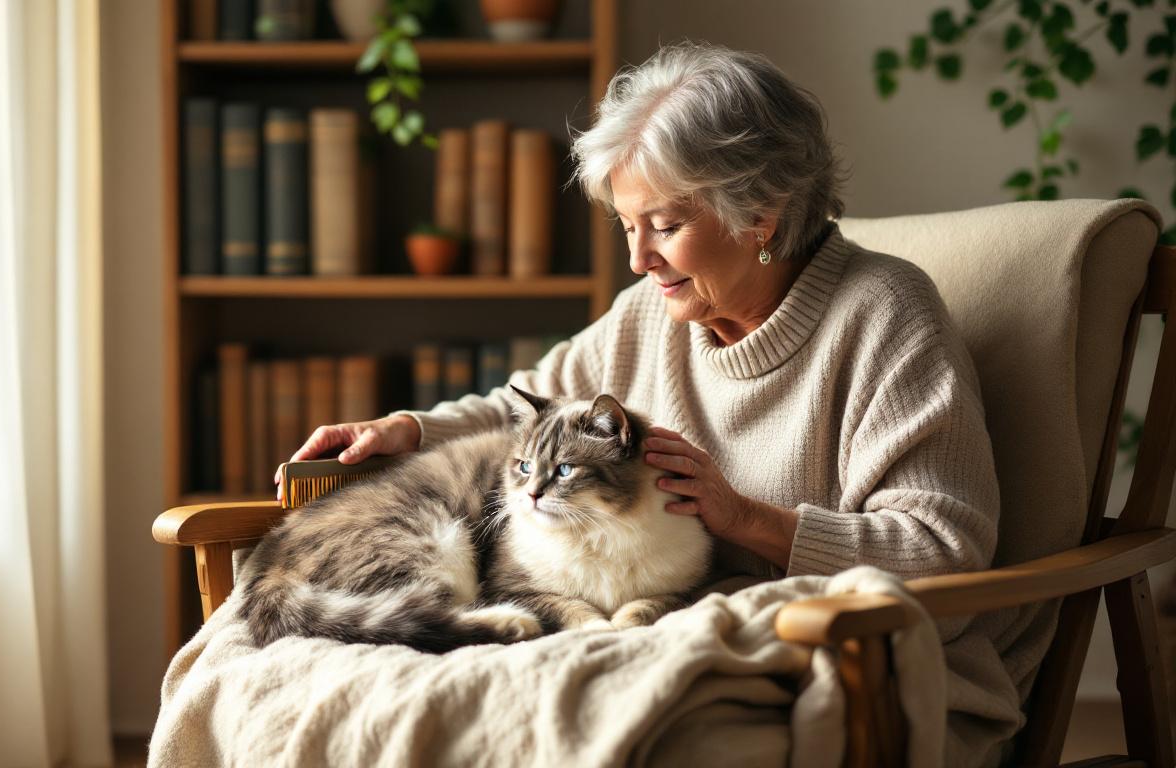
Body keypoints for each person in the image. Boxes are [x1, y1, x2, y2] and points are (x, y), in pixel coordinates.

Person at [284, 42, 1017, 765]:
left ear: (760, 212)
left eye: (665, 226)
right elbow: (529, 411)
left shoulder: (887, 313)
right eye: (628, 226)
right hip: (674, 631)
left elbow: (945, 550)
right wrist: (406, 428)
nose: (639, 260)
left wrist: (748, 520)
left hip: (846, 660)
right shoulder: (652, 313)